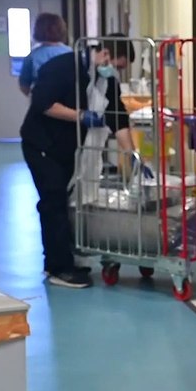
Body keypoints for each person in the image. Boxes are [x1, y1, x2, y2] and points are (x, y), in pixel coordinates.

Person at [19, 37, 133, 288]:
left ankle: (65, 258)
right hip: (42, 145)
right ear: (104, 54)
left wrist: (132, 155)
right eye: (118, 65)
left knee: (69, 199)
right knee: (53, 199)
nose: (117, 71)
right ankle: (58, 268)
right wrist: (80, 116)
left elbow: (119, 117)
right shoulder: (63, 68)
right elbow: (43, 103)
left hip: (68, 150)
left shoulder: (106, 80)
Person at [18, 13, 71, 97]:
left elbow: (24, 86)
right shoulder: (71, 53)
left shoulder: (32, 56)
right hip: (69, 102)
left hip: (42, 101)